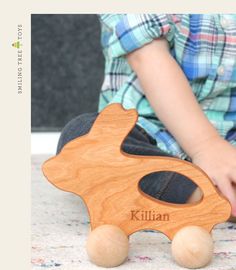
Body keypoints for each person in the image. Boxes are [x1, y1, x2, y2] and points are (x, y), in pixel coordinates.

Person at [57, 14, 236, 220]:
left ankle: (206, 197)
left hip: (231, 139)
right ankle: (206, 197)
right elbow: (147, 57)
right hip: (149, 132)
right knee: (82, 139)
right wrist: (206, 145)